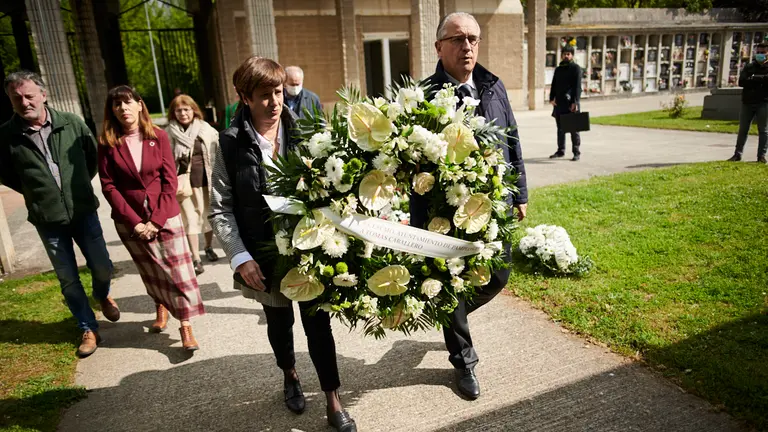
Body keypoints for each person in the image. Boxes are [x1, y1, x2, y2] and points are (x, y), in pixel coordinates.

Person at [209, 56, 356, 432]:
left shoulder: (305, 132)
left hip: (309, 249)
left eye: (277, 93)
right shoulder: (229, 144)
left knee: (318, 325)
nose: (274, 103)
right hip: (262, 256)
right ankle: (290, 374)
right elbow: (221, 208)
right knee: (279, 323)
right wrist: (240, 257)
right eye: (263, 96)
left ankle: (332, 398)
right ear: (244, 97)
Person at [419, 12, 528, 400]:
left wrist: (521, 194)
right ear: (439, 47)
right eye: (458, 39)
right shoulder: (422, 96)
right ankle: (464, 361)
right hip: (443, 212)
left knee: (498, 276)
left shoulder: (493, 86)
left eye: (473, 39)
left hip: (493, 206)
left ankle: (449, 312)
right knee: (451, 282)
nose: (467, 46)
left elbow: (512, 141)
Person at [0, 71, 118, 358]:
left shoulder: (72, 123)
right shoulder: (6, 135)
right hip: (47, 218)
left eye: (29, 95)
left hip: (82, 210)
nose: (24, 102)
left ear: (43, 94)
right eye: (17, 98)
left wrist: (73, 188)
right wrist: (38, 194)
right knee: (67, 277)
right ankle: (88, 327)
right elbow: (7, 173)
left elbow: (91, 159)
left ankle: (102, 295)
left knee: (102, 265)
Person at [98, 85, 204, 351]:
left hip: (164, 214)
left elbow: (170, 181)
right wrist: (135, 222)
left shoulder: (158, 136)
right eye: (116, 105)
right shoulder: (108, 143)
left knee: (178, 273)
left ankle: (185, 325)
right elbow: (108, 185)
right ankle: (161, 306)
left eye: (127, 102)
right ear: (112, 111)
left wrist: (155, 221)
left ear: (139, 104)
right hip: (129, 219)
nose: (122, 109)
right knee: (151, 270)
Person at [166, 95, 220, 275]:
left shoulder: (206, 129)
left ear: (193, 110)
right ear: (173, 113)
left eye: (186, 109)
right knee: (190, 219)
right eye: (178, 110)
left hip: (205, 180)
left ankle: (208, 247)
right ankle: (195, 257)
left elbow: (217, 151)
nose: (183, 113)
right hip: (182, 184)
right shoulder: (169, 132)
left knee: (206, 216)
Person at [727, 42, 768, 164]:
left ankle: (761, 156)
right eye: (758, 52)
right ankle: (737, 154)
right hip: (748, 102)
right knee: (743, 129)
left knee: (763, 130)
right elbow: (742, 81)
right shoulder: (749, 67)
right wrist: (760, 79)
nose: (760, 55)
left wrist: (754, 78)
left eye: (763, 53)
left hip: (764, 102)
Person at [549, 44, 582, 161]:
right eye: (564, 54)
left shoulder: (576, 69)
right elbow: (554, 84)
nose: (566, 56)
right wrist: (551, 98)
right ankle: (560, 150)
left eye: (568, 54)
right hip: (560, 103)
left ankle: (576, 152)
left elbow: (577, 87)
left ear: (572, 55)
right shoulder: (558, 69)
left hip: (571, 103)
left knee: (574, 129)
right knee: (560, 129)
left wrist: (575, 102)